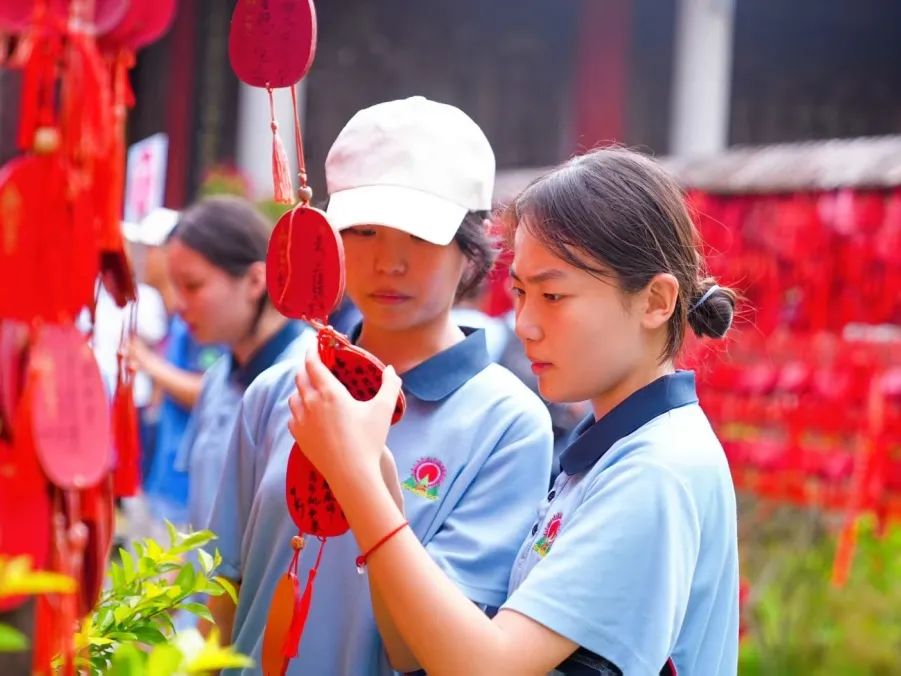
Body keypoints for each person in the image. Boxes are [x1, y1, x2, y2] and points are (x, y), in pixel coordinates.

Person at [288, 147, 740, 675]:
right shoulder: (612, 451)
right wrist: (380, 479)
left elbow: (487, 667)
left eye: (553, 295)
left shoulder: (656, 470)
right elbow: (417, 652)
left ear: (656, 301)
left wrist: (356, 477)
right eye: (522, 293)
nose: (525, 324)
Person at [206, 96, 554, 674]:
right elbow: (220, 587)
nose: (388, 262)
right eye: (363, 231)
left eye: (418, 236)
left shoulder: (509, 424)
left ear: (471, 250)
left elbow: (427, 652)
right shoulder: (279, 391)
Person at [164, 196, 314, 531]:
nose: (179, 305)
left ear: (256, 281)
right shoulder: (217, 379)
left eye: (193, 286)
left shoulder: (311, 378)